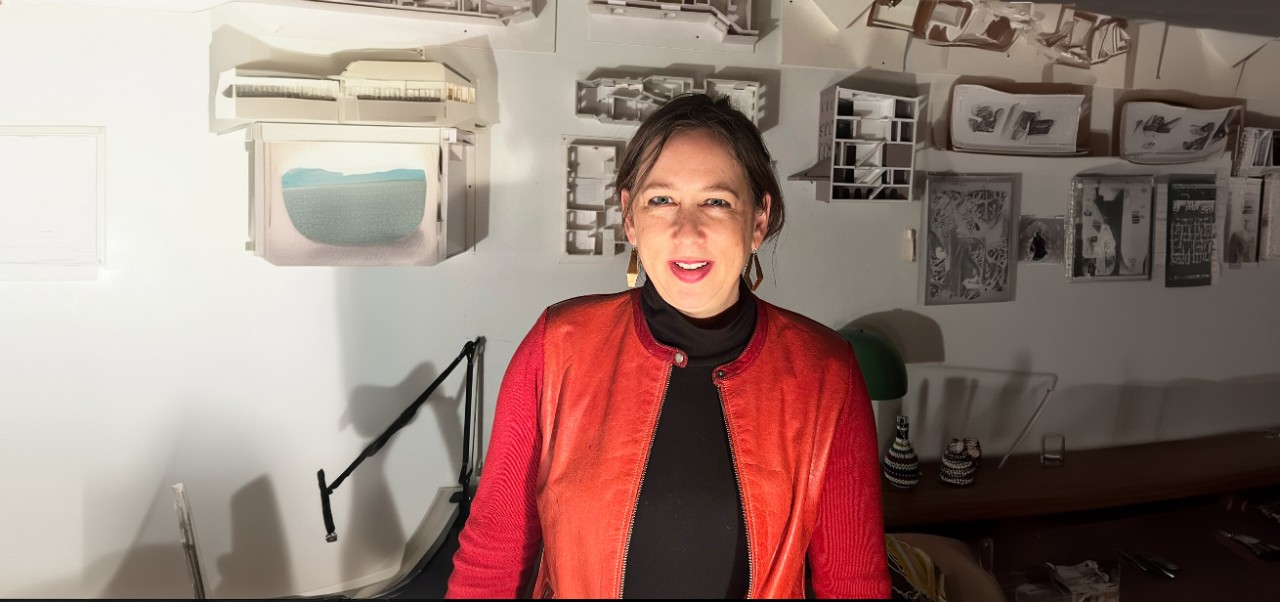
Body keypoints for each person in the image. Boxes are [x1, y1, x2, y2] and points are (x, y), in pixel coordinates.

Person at [445, 94, 890, 599]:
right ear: (629, 219)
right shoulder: (556, 346)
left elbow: (855, 584)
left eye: (717, 201)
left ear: (759, 221)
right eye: (661, 200)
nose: (687, 230)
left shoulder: (825, 373)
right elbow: (492, 560)